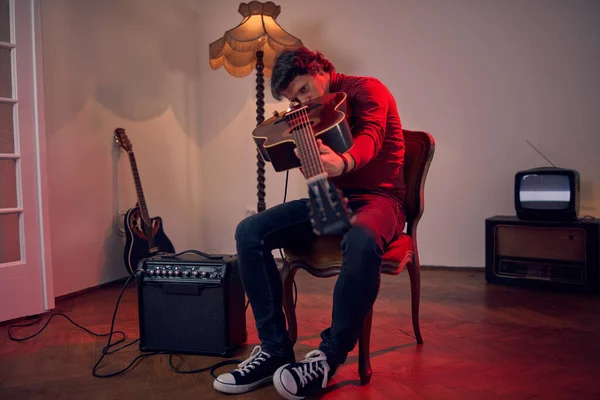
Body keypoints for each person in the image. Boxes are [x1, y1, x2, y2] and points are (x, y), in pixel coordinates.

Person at [213, 47, 407, 399]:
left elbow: (372, 137)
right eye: (294, 98)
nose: (301, 101)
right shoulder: (308, 114)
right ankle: (274, 349)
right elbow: (312, 166)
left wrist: (345, 162)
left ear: (320, 68)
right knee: (249, 232)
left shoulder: (368, 89)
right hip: (330, 200)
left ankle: (327, 358)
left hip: (380, 199)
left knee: (362, 239)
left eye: (304, 89)